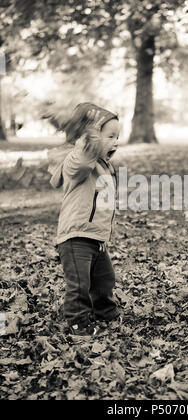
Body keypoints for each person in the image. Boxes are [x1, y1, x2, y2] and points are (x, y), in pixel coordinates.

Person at [47, 102, 121, 336]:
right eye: (110, 136)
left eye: (117, 136)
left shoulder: (103, 166)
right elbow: (80, 160)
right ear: (90, 138)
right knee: (79, 284)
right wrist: (87, 136)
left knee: (104, 279)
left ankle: (106, 313)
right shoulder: (77, 163)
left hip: (96, 238)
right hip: (76, 237)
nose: (115, 141)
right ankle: (78, 322)